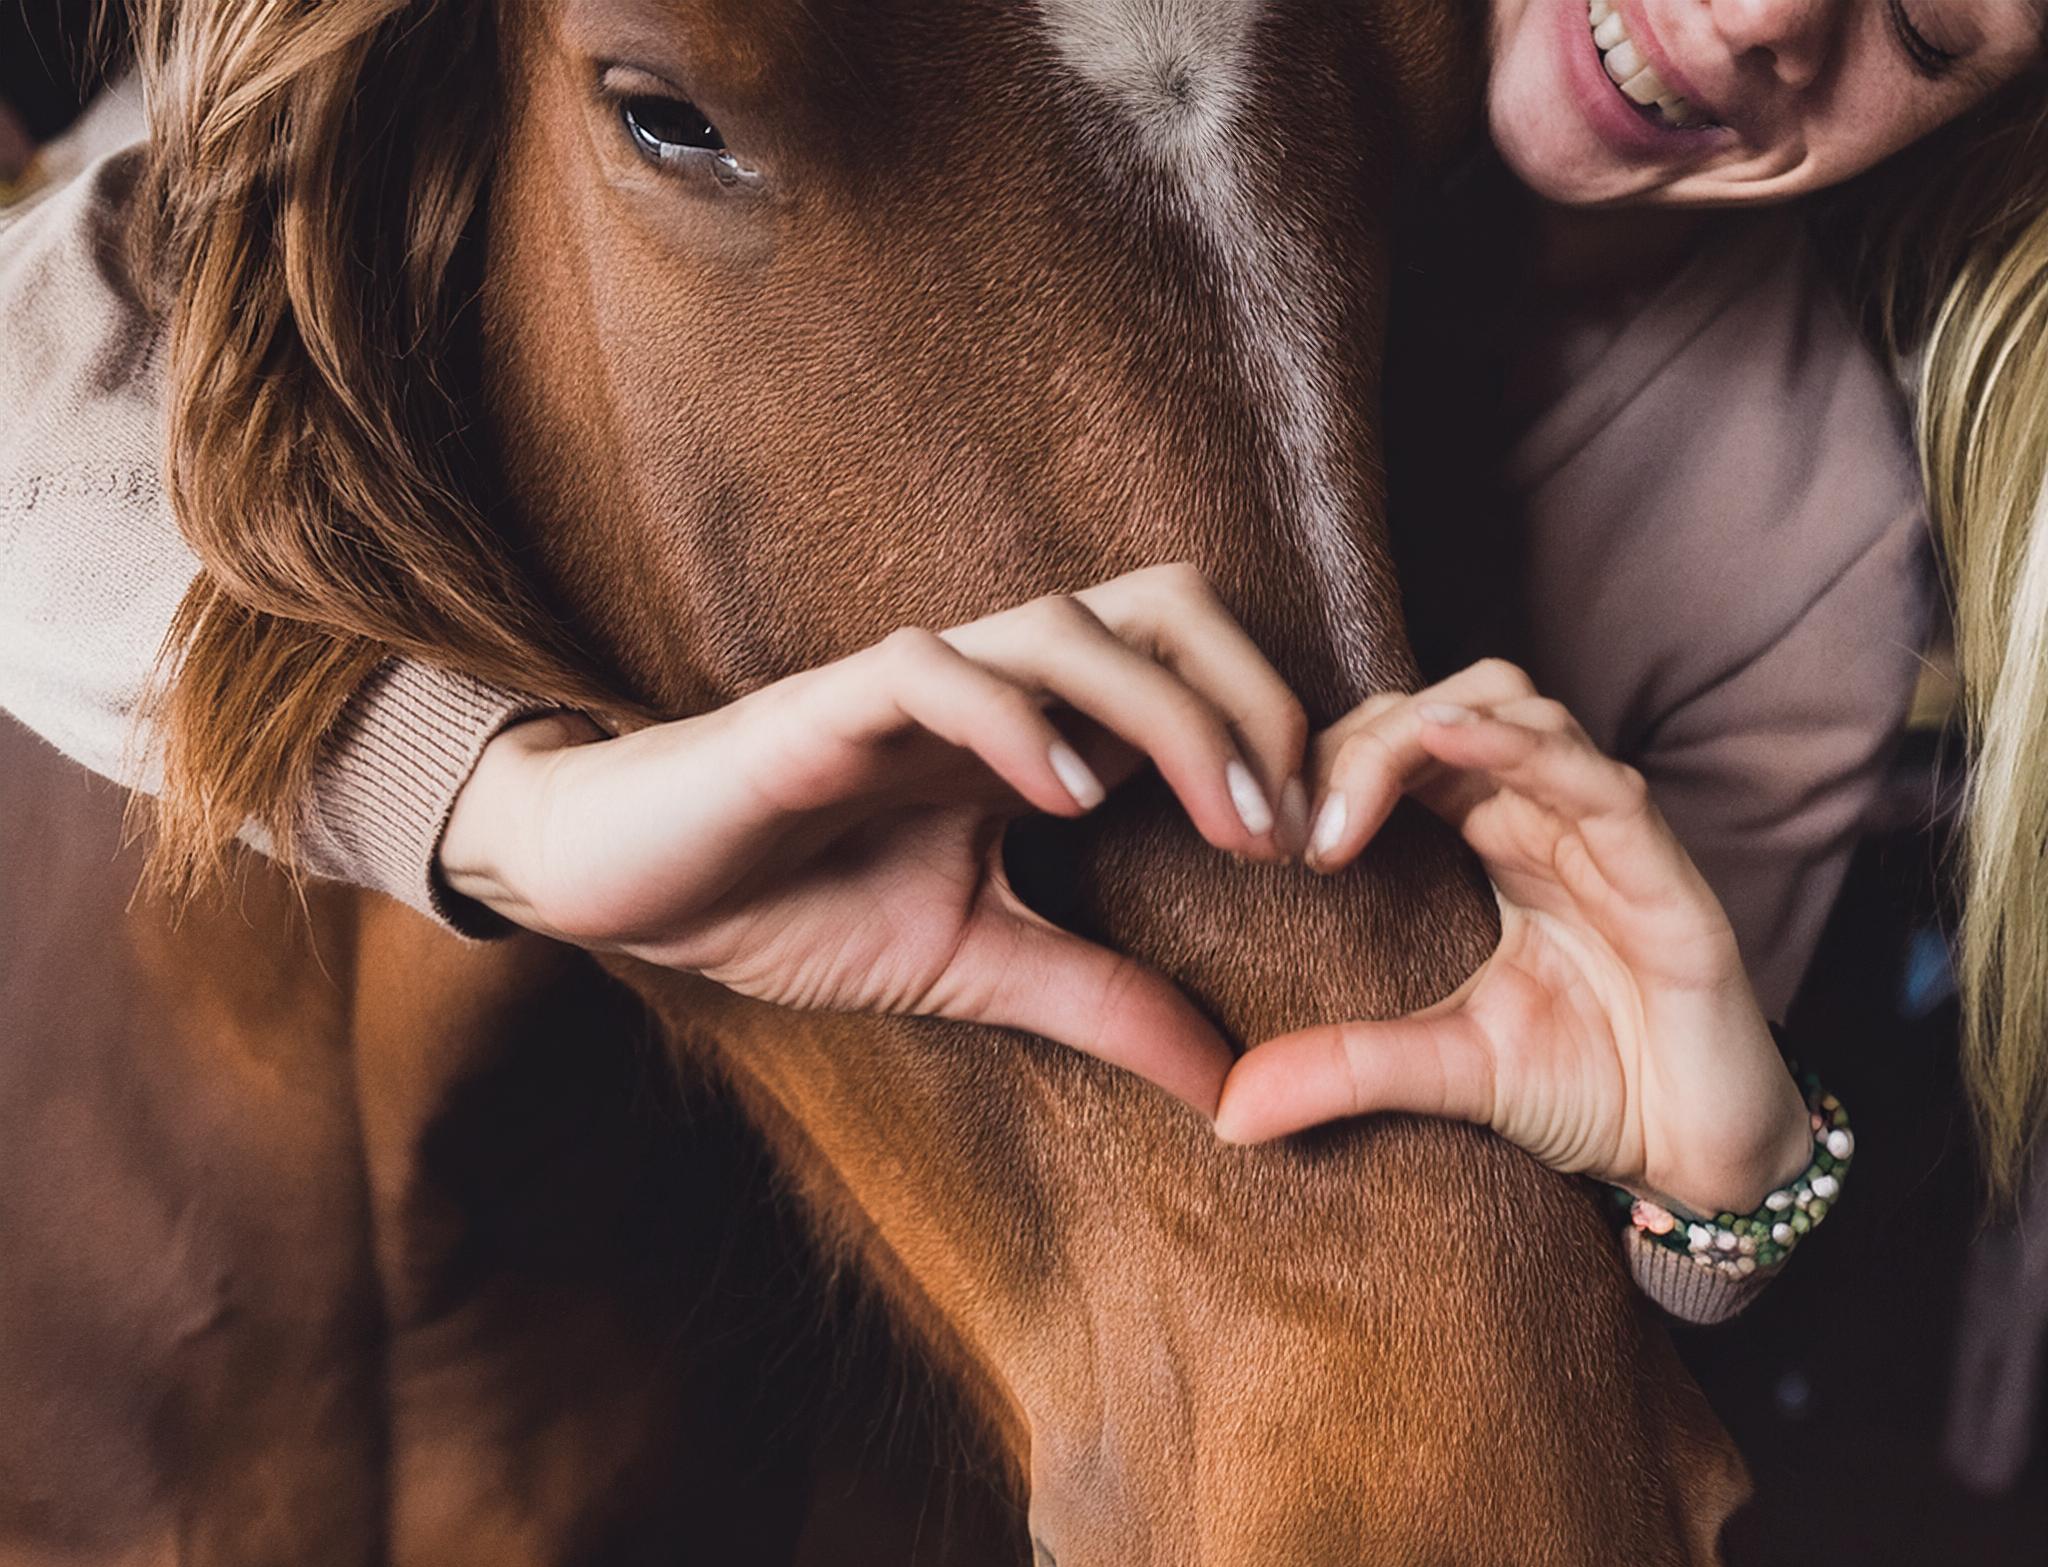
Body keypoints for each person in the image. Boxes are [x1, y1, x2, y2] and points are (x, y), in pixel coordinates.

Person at [2, 1, 2043, 1322]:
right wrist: (509, 804)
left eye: (1931, 28)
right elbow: (51, 360)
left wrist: (1742, 1179)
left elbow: (1621, 1249)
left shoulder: (1798, 524)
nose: (1776, 12)